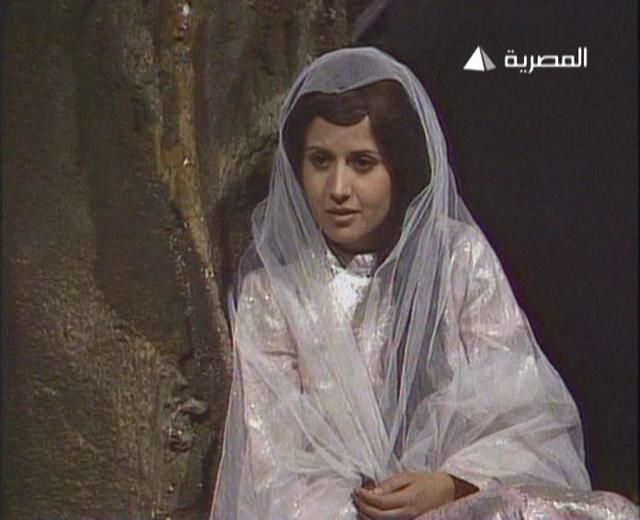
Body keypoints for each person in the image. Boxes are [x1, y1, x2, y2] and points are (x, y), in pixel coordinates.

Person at [209, 47, 636, 519]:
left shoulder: (458, 259)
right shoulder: (274, 294)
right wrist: (368, 507)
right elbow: (272, 463)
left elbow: (524, 413)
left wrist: (450, 485)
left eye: (362, 163)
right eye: (321, 161)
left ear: (399, 166)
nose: (338, 188)